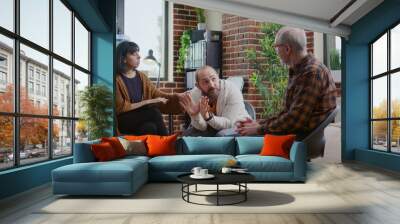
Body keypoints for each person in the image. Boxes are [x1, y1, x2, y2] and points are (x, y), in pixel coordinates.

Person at [236, 27, 337, 139]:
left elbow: (294, 120)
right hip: (293, 135)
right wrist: (259, 124)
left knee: (238, 138)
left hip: (297, 139)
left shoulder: (311, 73)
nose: (276, 52)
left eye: (276, 48)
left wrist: (258, 129)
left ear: (287, 49)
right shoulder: (300, 70)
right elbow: (288, 113)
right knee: (238, 136)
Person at [115, 41, 183, 135]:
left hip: (141, 118)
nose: (138, 56)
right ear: (123, 59)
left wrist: (179, 97)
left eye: (138, 53)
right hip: (124, 120)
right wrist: (148, 101)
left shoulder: (142, 76)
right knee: (154, 112)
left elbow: (156, 94)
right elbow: (121, 107)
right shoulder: (117, 79)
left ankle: (154, 149)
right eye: (133, 54)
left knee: (150, 127)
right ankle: (169, 143)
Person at [180, 65, 250, 136]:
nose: (212, 85)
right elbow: (202, 127)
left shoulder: (232, 90)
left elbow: (228, 124)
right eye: (206, 82)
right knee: (186, 135)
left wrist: (208, 117)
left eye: (213, 79)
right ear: (198, 86)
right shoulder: (195, 94)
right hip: (212, 127)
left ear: (218, 76)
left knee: (220, 135)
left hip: (237, 126)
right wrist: (195, 115)